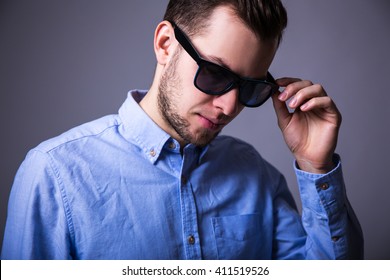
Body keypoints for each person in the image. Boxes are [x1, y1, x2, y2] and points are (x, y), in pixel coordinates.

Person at [1, 0, 363, 260]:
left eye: (251, 88)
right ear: (165, 45)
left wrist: (316, 165)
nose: (230, 106)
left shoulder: (255, 174)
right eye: (216, 74)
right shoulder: (54, 174)